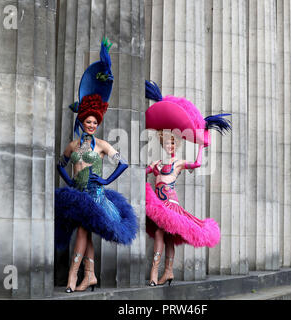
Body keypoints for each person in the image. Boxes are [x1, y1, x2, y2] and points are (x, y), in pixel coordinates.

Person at [55, 38, 138, 293]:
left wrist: (104, 180)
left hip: (95, 195)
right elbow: (61, 164)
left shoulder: (101, 145)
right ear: (82, 121)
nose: (91, 125)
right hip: (77, 193)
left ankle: (72, 276)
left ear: (97, 124)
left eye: (94, 122)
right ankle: (89, 275)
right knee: (85, 233)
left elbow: (123, 162)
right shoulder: (72, 145)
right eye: (88, 122)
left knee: (82, 230)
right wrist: (68, 180)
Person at [144, 81, 232, 286]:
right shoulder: (157, 163)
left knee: (166, 236)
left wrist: (202, 144)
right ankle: (163, 273)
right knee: (162, 235)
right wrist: (148, 168)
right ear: (162, 143)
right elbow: (142, 174)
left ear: (178, 143)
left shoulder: (178, 163)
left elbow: (198, 163)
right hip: (158, 203)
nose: (170, 145)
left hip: (170, 204)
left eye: (173, 142)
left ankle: (161, 272)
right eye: (167, 142)